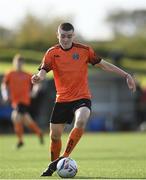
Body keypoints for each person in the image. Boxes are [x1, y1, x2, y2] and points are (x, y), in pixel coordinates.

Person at [31, 22, 136, 176]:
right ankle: (54, 164)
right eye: (62, 36)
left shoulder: (84, 51)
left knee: (81, 119)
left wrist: (126, 75)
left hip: (82, 97)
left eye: (69, 36)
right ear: (58, 35)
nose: (65, 39)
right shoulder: (52, 53)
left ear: (73, 36)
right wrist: (38, 78)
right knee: (54, 137)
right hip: (62, 100)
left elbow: (104, 65)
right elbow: (43, 70)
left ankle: (62, 158)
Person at [1, 54, 44, 148]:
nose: (19, 64)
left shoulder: (27, 74)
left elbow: (37, 83)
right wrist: (5, 95)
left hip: (24, 101)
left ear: (23, 63)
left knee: (15, 117)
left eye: (21, 63)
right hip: (15, 101)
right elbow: (4, 86)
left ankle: (20, 141)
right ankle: (39, 132)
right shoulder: (10, 74)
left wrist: (34, 91)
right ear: (14, 63)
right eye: (17, 62)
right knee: (26, 120)